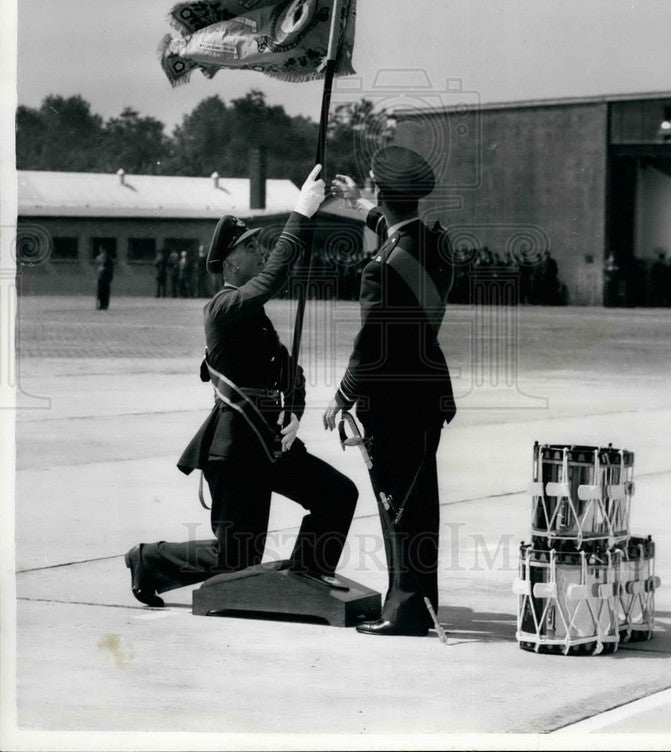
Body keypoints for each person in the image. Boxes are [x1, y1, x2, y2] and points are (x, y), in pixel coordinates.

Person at [124, 165, 358, 606]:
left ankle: (307, 576)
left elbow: (291, 372)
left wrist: (295, 411)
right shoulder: (224, 307)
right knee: (235, 558)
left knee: (337, 495)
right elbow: (272, 279)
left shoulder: (251, 313)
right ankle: (148, 560)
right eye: (250, 247)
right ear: (232, 261)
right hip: (235, 450)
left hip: (269, 441)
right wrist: (300, 215)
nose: (258, 251)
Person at [324, 146, 456, 637]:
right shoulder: (433, 244)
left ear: (383, 191)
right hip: (427, 393)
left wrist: (342, 395)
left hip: (393, 401)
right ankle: (420, 603)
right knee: (419, 507)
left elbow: (372, 343)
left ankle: (404, 611)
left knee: (397, 507)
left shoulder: (381, 266)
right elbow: (397, 229)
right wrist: (365, 204)